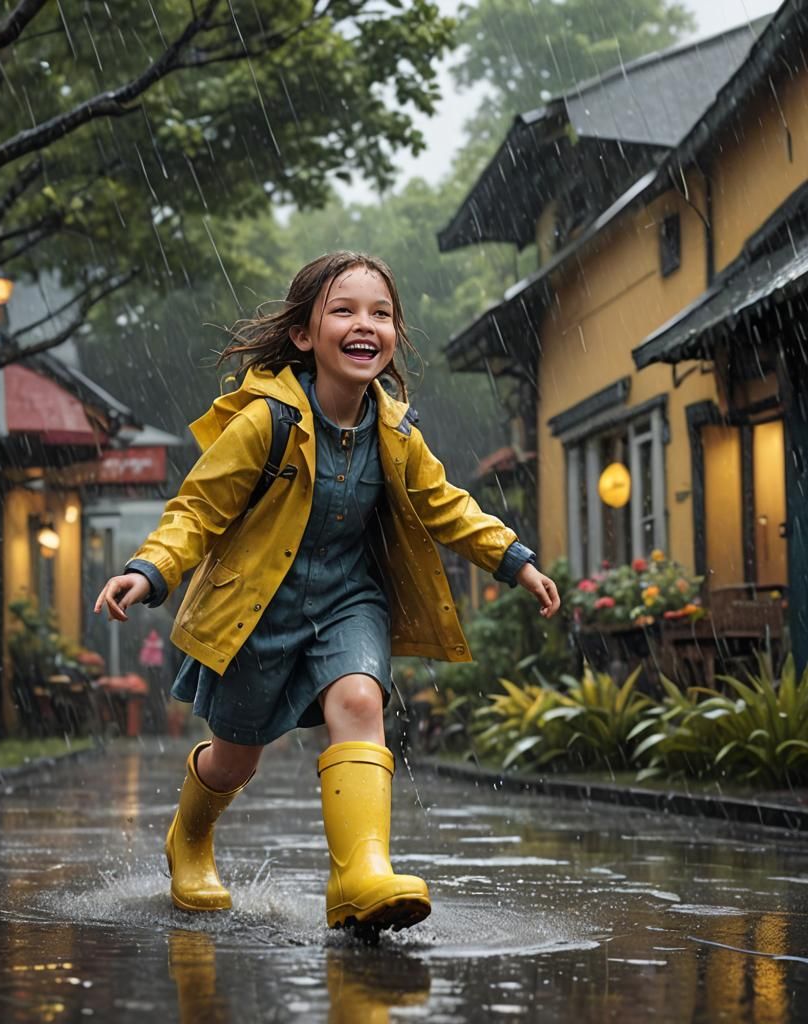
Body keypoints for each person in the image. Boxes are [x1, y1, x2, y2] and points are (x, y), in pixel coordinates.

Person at [93, 251, 560, 936]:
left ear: (395, 334)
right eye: (344, 310)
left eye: (381, 313)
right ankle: (189, 839)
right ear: (305, 334)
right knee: (235, 755)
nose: (365, 324)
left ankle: (360, 874)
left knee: (362, 699)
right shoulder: (267, 420)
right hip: (257, 609)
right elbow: (199, 507)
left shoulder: (396, 432)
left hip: (349, 601)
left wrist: (513, 558)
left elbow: (446, 504)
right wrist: (151, 569)